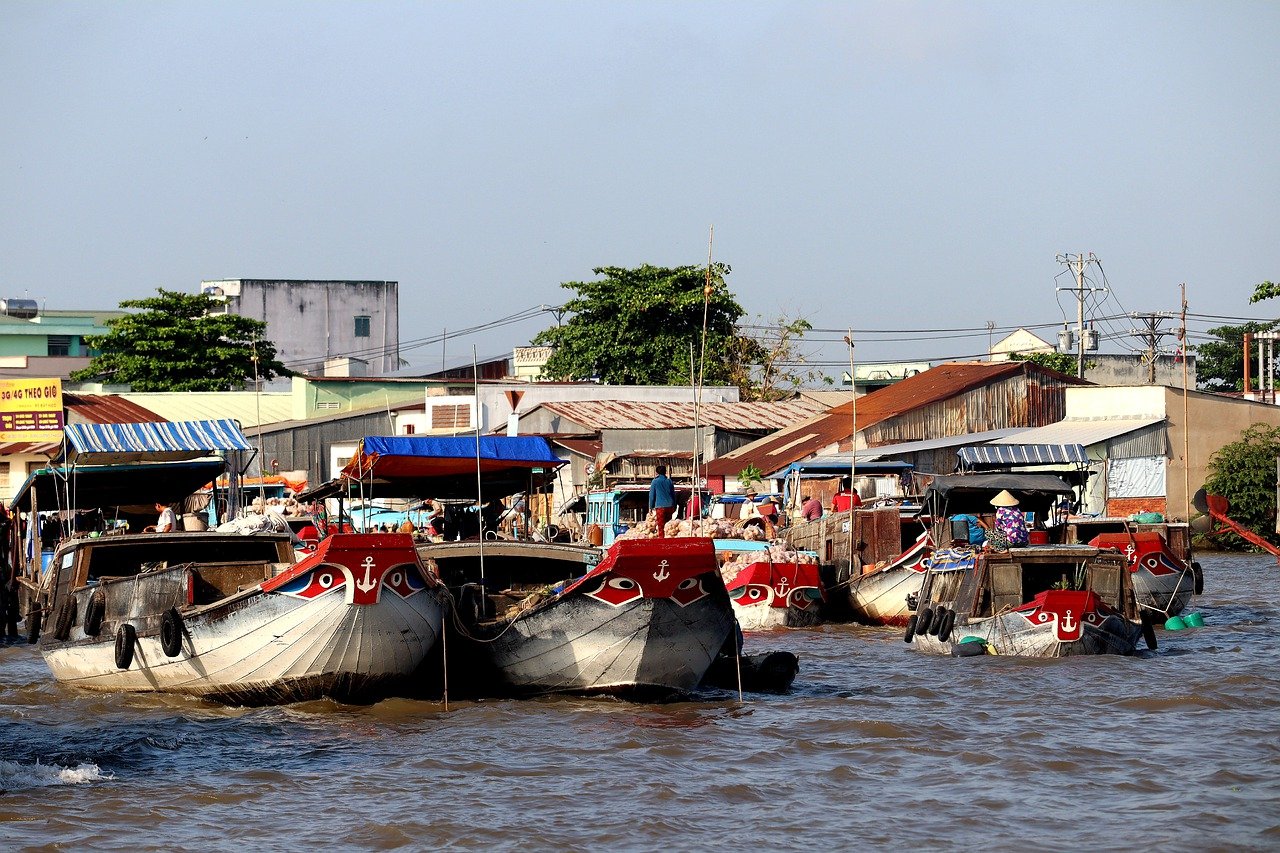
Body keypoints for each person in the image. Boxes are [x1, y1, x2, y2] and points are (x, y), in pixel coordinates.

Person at [648, 464, 676, 538]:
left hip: (660, 507)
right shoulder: (669, 481)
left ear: (657, 472)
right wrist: (674, 506)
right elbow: (673, 494)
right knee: (668, 526)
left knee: (661, 526)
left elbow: (652, 495)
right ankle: (668, 539)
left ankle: (662, 540)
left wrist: (650, 507)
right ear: (665, 472)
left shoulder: (655, 481)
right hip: (670, 506)